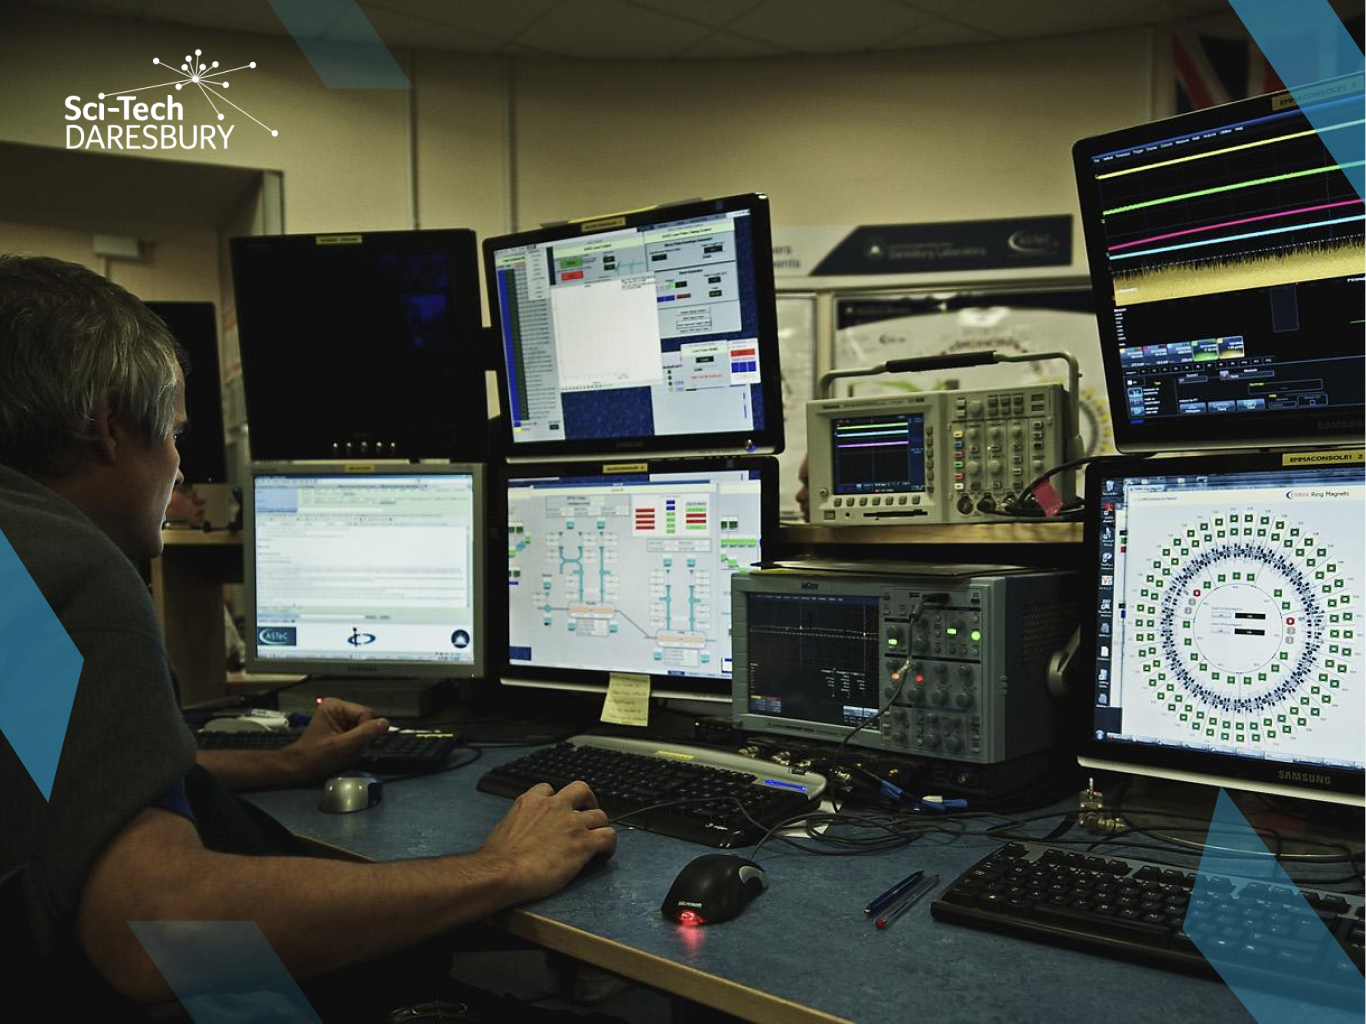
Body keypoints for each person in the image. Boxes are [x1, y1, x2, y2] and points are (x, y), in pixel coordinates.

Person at [0, 255, 617, 1017]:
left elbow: (65, 783)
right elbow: (158, 933)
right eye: (174, 434)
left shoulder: (13, 562)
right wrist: (503, 867)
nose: (178, 464)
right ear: (106, 424)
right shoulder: (77, 577)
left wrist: (287, 764)